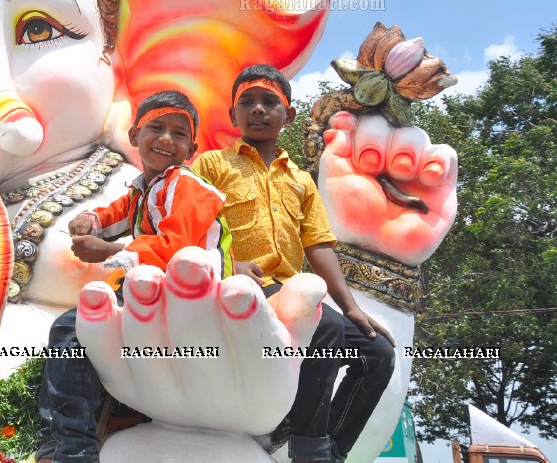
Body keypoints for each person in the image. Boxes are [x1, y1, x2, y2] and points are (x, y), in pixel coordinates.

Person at [191, 64, 395, 463]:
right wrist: (230, 260)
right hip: (236, 288)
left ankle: (333, 449)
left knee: (378, 353)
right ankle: (309, 448)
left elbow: (318, 245)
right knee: (327, 328)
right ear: (233, 115)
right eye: (246, 102)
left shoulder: (301, 179)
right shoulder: (212, 165)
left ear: (289, 114)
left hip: (291, 292)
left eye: (270, 102)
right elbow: (190, 226)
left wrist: (353, 308)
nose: (258, 110)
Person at [35, 90, 233, 463]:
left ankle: (70, 448)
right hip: (156, 295)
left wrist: (109, 252)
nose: (165, 139)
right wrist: (90, 220)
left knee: (70, 328)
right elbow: (113, 215)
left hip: (193, 300)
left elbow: (177, 246)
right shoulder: (144, 189)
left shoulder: (190, 186)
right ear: (134, 135)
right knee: (80, 326)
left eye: (178, 133)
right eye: (156, 127)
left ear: (191, 148)